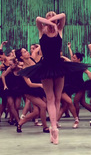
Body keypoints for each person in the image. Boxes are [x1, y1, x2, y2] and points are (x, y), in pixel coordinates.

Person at [18, 12, 87, 144]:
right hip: (45, 66)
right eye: (48, 17)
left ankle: (54, 124)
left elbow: (63, 15)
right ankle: (54, 128)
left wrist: (53, 22)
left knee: (57, 97)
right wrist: (49, 22)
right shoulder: (41, 30)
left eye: (53, 17)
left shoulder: (59, 30)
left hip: (58, 65)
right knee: (50, 98)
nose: (51, 19)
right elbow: (38, 18)